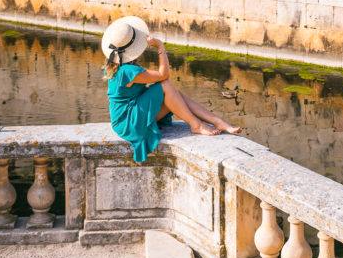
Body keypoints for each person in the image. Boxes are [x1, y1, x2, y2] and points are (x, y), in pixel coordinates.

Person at [102, 15, 240, 163]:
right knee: (166, 85)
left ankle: (216, 121)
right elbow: (164, 74)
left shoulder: (117, 67)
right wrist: (160, 47)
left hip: (125, 117)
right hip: (128, 121)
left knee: (174, 94)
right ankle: (196, 124)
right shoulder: (127, 71)